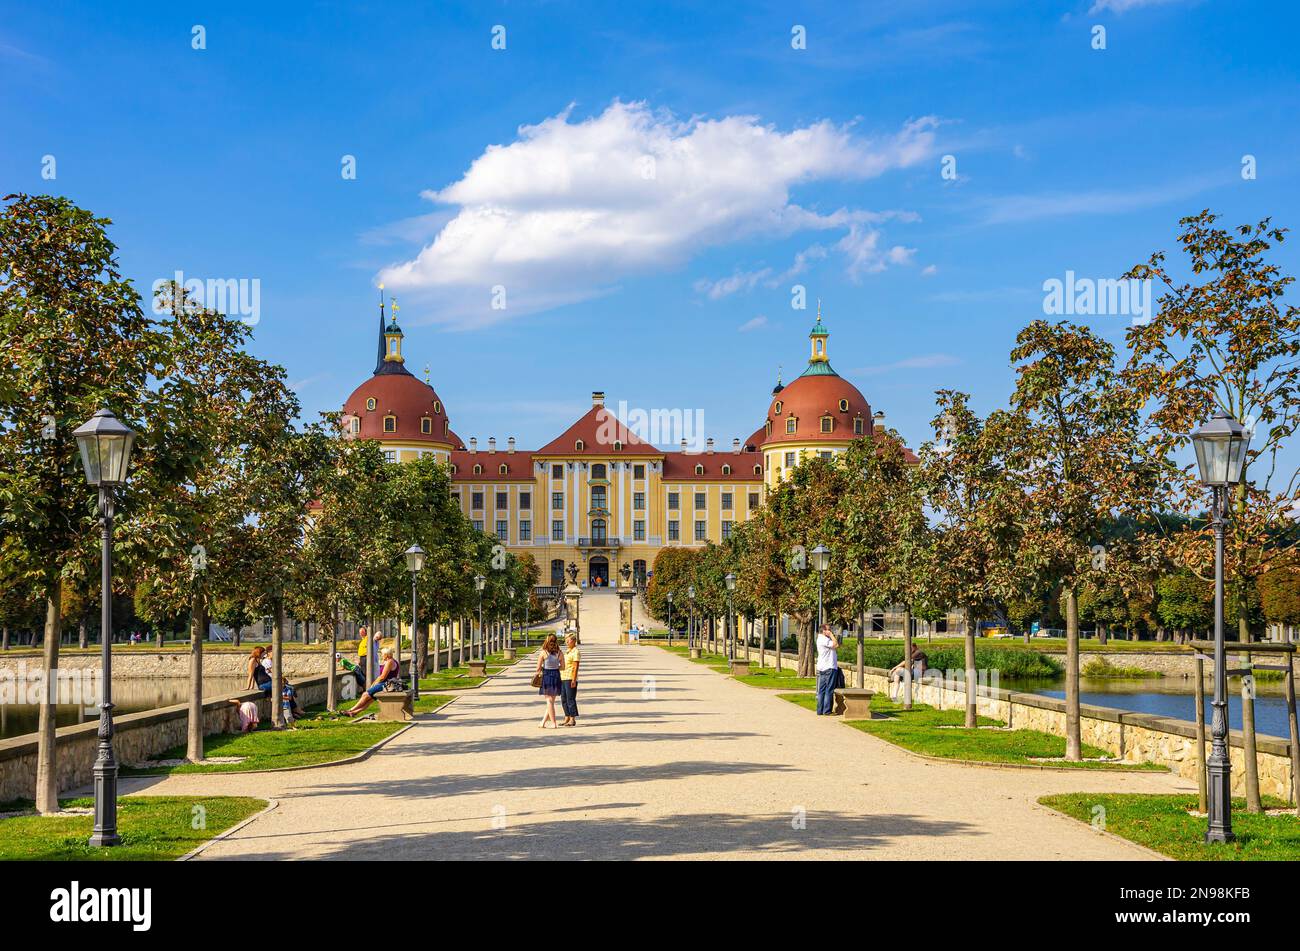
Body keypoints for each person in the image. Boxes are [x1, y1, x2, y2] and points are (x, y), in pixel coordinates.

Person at [344, 647, 400, 717]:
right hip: (388, 684)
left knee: (365, 694)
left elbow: (382, 677)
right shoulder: (392, 661)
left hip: (386, 684)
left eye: (382, 654)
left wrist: (374, 684)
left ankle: (350, 710)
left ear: (386, 655)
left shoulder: (390, 662)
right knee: (370, 700)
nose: (381, 655)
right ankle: (354, 712)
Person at [535, 633, 563, 728]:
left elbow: (538, 668)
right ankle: (543, 722)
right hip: (556, 675)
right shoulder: (559, 652)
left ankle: (553, 723)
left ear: (547, 641)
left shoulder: (543, 652)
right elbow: (563, 667)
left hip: (547, 676)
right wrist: (556, 668)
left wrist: (539, 672)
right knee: (551, 702)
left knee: (549, 701)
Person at [815, 623, 840, 715]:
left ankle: (820, 710)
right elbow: (836, 645)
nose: (830, 631)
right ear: (824, 630)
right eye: (829, 630)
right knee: (829, 689)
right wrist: (832, 636)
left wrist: (830, 636)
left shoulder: (820, 639)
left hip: (822, 667)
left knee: (821, 690)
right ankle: (827, 711)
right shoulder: (824, 639)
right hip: (829, 667)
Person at [560, 633, 581, 727]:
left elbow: (575, 667)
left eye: (568, 640)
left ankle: (572, 719)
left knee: (570, 699)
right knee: (563, 699)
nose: (567, 642)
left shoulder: (575, 652)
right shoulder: (568, 651)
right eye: (566, 640)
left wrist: (573, 680)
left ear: (574, 641)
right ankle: (566, 717)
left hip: (570, 678)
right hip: (563, 677)